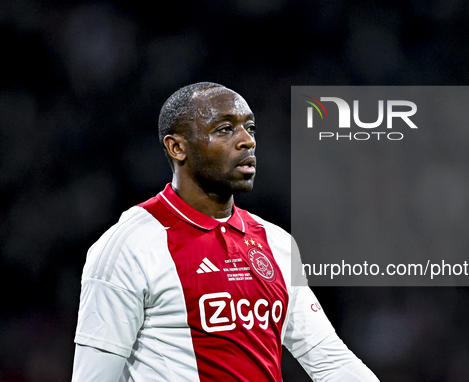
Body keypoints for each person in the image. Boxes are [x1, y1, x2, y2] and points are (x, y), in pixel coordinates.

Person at [71, 82, 379, 381]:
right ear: (177, 147)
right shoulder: (128, 246)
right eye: (225, 129)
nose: (247, 140)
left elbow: (329, 360)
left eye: (250, 128)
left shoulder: (277, 243)